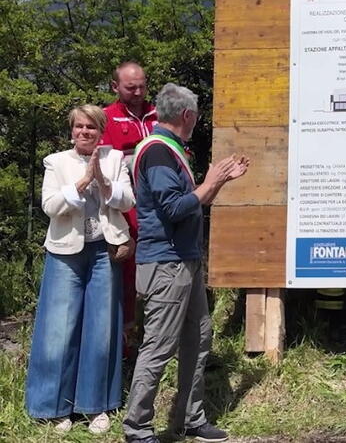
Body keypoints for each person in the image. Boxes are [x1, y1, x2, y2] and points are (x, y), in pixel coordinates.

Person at [123, 83, 249, 443]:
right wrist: (211, 180)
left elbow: (194, 200)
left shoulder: (170, 149)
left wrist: (218, 183)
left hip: (184, 261)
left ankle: (191, 419)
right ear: (187, 115)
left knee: (199, 336)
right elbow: (174, 208)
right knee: (159, 346)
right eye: (196, 116)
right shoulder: (158, 152)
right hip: (166, 264)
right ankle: (137, 428)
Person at [26, 105, 135, 434]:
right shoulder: (56, 161)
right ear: (71, 130)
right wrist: (83, 181)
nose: (85, 132)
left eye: (91, 127)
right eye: (79, 127)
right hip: (65, 252)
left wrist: (103, 181)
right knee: (59, 329)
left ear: (101, 131)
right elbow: (50, 206)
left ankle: (96, 406)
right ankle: (54, 407)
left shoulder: (115, 158)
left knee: (101, 329)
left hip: (104, 250)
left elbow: (128, 201)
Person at [101, 61, 158, 354]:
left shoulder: (159, 113)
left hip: (161, 203)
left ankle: (159, 335)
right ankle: (125, 340)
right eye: (130, 87)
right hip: (127, 205)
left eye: (142, 86)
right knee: (127, 268)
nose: (137, 93)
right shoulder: (106, 117)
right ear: (115, 86)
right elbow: (107, 167)